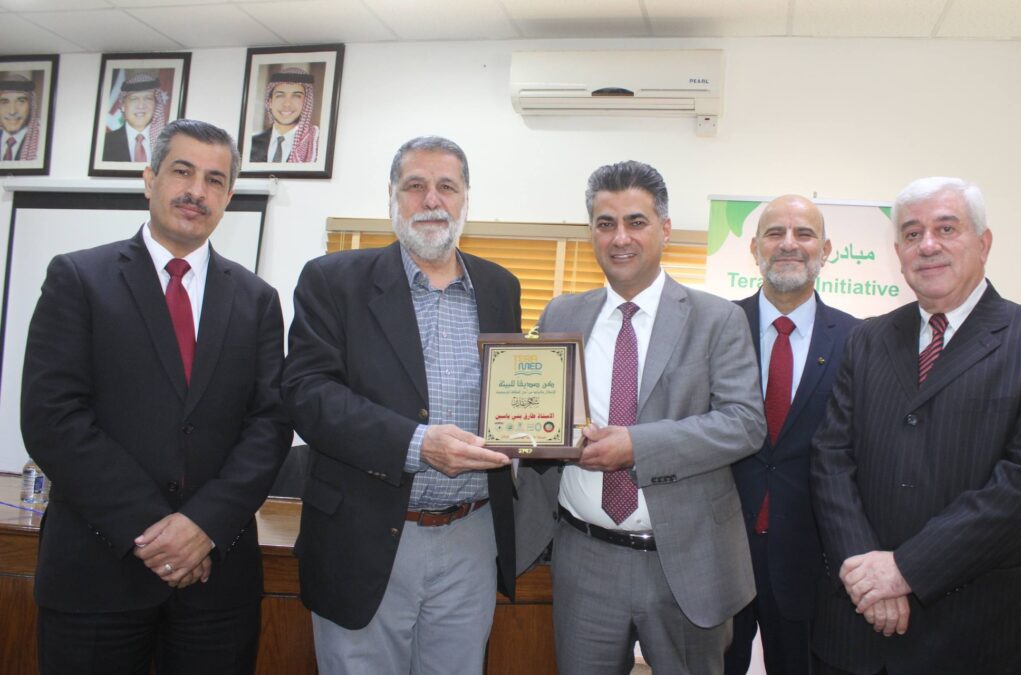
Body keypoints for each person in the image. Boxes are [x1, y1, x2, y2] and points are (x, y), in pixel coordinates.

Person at [21, 118, 292, 674]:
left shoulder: (258, 300)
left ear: (229, 197)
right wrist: (157, 532)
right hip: (97, 574)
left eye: (215, 180)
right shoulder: (79, 278)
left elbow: (268, 426)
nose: (197, 191)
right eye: (182, 172)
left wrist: (203, 528)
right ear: (150, 179)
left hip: (216, 586)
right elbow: (53, 418)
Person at [811, 176, 1021, 674]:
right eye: (912, 234)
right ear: (898, 252)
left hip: (971, 636)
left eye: (946, 228)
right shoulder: (866, 340)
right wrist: (866, 572)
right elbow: (831, 458)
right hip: (854, 631)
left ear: (984, 243)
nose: (928, 245)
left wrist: (904, 570)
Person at [515, 160, 766, 674]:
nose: (620, 238)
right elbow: (538, 411)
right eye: (605, 224)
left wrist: (638, 447)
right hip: (584, 556)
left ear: (665, 229)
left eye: (636, 222)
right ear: (592, 232)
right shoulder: (560, 314)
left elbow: (744, 423)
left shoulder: (718, 318)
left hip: (685, 560)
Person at [282, 136, 520, 674]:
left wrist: (544, 430)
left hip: (471, 535)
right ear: (391, 196)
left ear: (465, 199)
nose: (431, 200)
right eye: (415, 186)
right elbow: (307, 394)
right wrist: (418, 445)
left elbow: (513, 393)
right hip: (364, 534)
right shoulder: (333, 280)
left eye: (446, 187)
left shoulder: (500, 286)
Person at [726, 195, 859, 675]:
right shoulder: (715, 326)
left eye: (804, 234)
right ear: (754, 248)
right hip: (720, 556)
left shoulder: (858, 340)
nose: (788, 244)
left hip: (810, 562)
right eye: (774, 233)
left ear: (825, 250)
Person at [249, 67, 319, 163]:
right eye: (280, 95)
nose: (287, 104)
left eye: (296, 96)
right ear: (270, 102)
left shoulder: (314, 145)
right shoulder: (251, 143)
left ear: (306, 103)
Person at [103, 72, 167, 163]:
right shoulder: (105, 143)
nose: (141, 106)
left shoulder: (168, 143)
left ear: (156, 104)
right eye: (134, 99)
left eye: (148, 98)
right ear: (123, 105)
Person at [0, 73, 40, 161]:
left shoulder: (41, 143)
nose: (12, 111)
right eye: (4, 102)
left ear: (31, 105)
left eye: (21, 101)